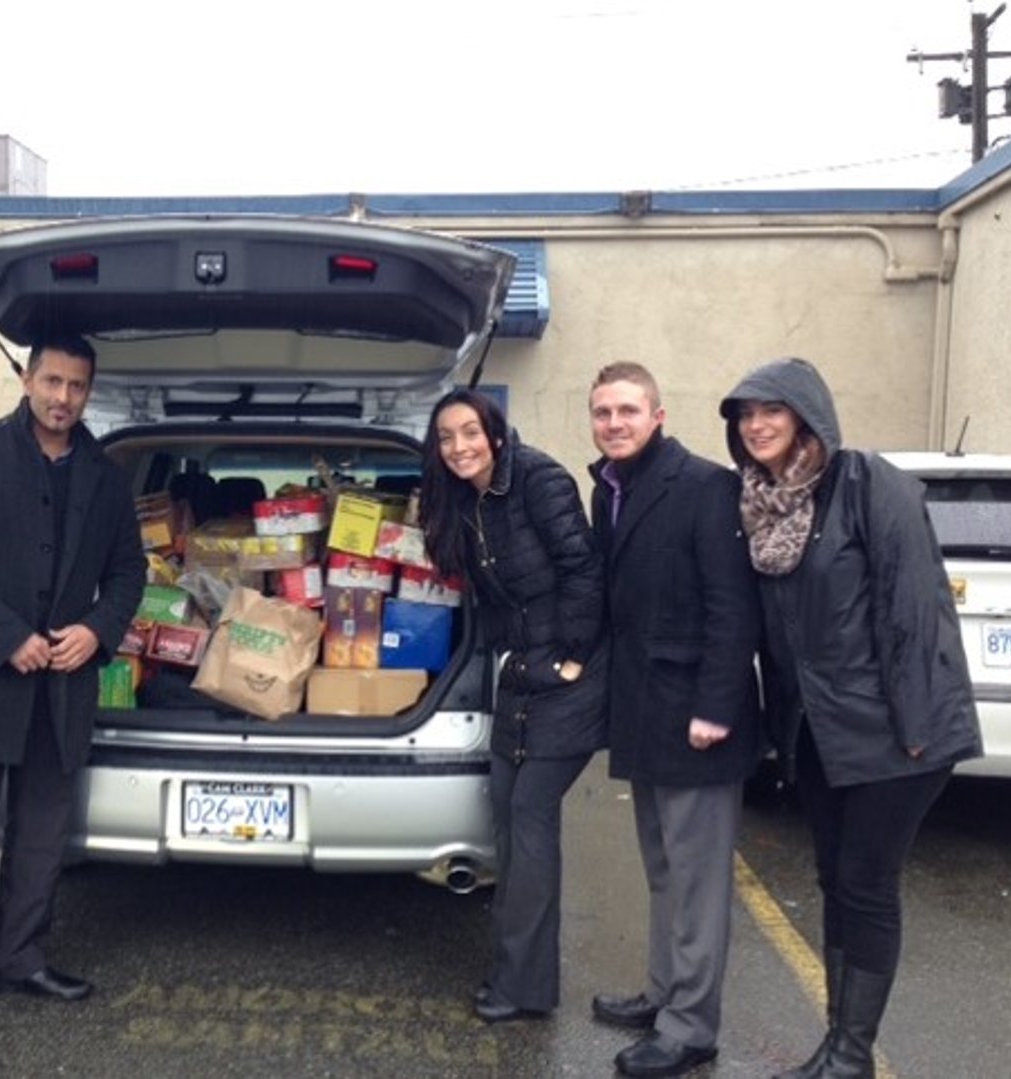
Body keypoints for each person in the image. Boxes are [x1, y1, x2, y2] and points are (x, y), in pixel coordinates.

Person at [719, 357, 982, 1079]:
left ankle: (850, 1052)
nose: (756, 425)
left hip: (894, 732)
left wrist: (918, 729)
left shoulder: (869, 483)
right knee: (836, 879)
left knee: (866, 885)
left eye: (770, 410)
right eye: (744, 415)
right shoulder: (762, 501)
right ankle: (839, 1045)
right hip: (818, 734)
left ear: (807, 414)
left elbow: (916, 609)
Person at [0, 333, 146, 1035]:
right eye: (52, 381)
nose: (63, 398)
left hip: (62, 686)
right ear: (26, 378)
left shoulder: (105, 476)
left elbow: (130, 571)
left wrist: (98, 629)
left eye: (76, 386)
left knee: (42, 831)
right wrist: (3, 634)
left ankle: (21, 959)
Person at [586, 363, 762, 1078]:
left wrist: (716, 707)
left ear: (658, 414)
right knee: (663, 870)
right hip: (644, 710)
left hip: (697, 718)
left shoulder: (704, 486)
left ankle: (691, 1027)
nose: (614, 422)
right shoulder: (610, 489)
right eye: (602, 411)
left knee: (697, 881)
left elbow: (733, 607)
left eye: (628, 409)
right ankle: (663, 992)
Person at [418, 388, 608, 1024]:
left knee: (529, 819)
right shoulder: (466, 502)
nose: (458, 447)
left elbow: (583, 570)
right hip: (519, 675)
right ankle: (517, 976)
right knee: (506, 816)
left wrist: (573, 656)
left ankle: (520, 986)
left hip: (568, 676)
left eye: (469, 432)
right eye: (445, 438)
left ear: (494, 433)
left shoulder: (537, 479)